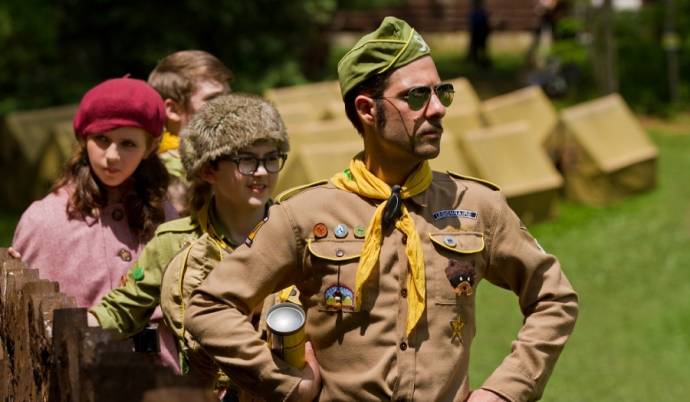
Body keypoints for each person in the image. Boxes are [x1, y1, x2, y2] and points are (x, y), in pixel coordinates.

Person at [184, 16, 579, 402]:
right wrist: (286, 383)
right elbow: (210, 306)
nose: (438, 109)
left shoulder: (475, 206)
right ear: (367, 110)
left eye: (442, 93)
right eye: (417, 97)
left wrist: (503, 392)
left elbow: (554, 298)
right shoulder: (306, 215)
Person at [88, 94, 291, 396]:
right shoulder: (176, 244)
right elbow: (120, 311)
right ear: (209, 170)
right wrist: (67, 327)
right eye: (246, 160)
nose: (262, 171)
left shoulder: (298, 234)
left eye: (271, 158)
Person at [11, 77, 175, 316]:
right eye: (102, 139)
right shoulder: (44, 220)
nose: (112, 156)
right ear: (84, 139)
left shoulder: (166, 214)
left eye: (128, 144)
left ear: (150, 148)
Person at [148, 50, 233, 213]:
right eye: (213, 99)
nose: (229, 108)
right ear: (173, 109)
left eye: (229, 97)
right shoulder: (153, 173)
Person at [467, 0, 491, 68]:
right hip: (476, 34)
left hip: (481, 34)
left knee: (482, 50)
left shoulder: (481, 13)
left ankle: (483, 63)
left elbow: (485, 24)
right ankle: (477, 63)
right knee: (476, 51)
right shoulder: (475, 13)